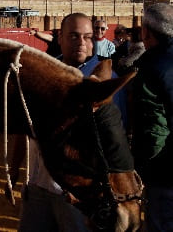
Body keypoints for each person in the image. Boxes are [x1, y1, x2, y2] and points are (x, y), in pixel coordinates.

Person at [9, 13, 133, 232]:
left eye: (87, 37)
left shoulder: (105, 80)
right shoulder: (43, 74)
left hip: (78, 193)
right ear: (60, 38)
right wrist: (13, 167)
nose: (82, 43)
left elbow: (114, 141)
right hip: (38, 183)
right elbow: (23, 124)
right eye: (74, 36)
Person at [132, 3, 173, 232]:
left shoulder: (150, 65)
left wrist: (140, 167)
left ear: (146, 32)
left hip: (165, 171)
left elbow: (154, 129)